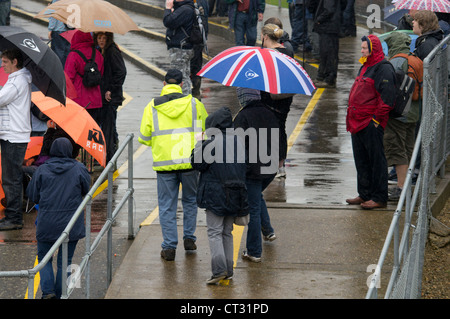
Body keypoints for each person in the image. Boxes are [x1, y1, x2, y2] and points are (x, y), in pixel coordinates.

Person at [138, 69, 208, 261]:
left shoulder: (152, 106)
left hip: (164, 164)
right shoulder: (195, 104)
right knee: (190, 200)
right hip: (190, 162)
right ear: (182, 84)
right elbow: (204, 131)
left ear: (163, 84)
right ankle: (189, 238)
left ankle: (169, 247)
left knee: (167, 206)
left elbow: (144, 137)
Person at [26, 137, 91, 299]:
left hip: (47, 222)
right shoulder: (79, 168)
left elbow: (33, 195)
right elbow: (86, 190)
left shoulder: (41, 170)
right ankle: (61, 293)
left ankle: (48, 292)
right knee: (66, 260)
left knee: (44, 258)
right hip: (71, 223)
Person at [190, 106, 248, 284]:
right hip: (236, 194)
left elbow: (196, 163)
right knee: (226, 233)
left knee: (215, 232)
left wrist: (199, 143)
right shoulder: (239, 141)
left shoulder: (211, 143)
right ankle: (228, 270)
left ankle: (218, 270)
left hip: (216, 194)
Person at [346, 35, 396, 210]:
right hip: (357, 122)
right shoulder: (365, 66)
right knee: (361, 160)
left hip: (369, 123)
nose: (362, 51)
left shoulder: (383, 69)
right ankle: (365, 194)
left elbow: (387, 98)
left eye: (365, 48)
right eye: (361, 48)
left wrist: (375, 120)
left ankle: (379, 197)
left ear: (373, 49)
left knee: (376, 161)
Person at [233, 88, 279, 262]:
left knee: (252, 208)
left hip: (252, 169)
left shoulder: (242, 117)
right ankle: (268, 231)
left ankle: (254, 251)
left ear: (243, 97)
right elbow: (279, 138)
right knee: (256, 197)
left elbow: (236, 145)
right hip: (270, 168)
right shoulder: (270, 113)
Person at [384, 31, 422, 201]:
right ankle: (406, 186)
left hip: (399, 114)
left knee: (397, 149)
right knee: (408, 149)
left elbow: (390, 88)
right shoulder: (416, 59)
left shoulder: (396, 61)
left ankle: (401, 188)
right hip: (414, 112)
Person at [0, 49, 32, 231]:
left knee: (11, 178)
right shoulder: (17, 79)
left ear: (14, 61)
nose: (2, 64)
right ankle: (12, 215)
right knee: (10, 177)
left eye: (5, 61)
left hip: (14, 134)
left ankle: (14, 218)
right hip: (11, 133)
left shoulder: (17, 81)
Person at [259, 23, 295, 178]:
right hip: (285, 97)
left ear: (265, 36)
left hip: (269, 98)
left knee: (268, 131)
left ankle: (269, 163)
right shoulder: (287, 51)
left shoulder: (266, 54)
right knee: (281, 129)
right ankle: (281, 166)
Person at [95, 32, 127, 164]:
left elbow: (121, 72)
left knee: (109, 127)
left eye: (104, 38)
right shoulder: (103, 51)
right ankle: (111, 152)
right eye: (99, 38)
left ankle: (109, 156)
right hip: (108, 96)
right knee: (110, 127)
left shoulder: (112, 51)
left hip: (111, 97)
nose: (101, 41)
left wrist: (111, 89)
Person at [65, 30, 104, 125]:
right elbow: (101, 74)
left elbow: (67, 78)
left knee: (78, 128)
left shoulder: (73, 55)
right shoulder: (98, 54)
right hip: (95, 101)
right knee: (92, 130)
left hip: (78, 100)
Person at [163, 0, 197, 95]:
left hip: (180, 49)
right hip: (184, 47)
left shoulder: (185, 9)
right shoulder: (185, 8)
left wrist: (168, 9)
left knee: (180, 77)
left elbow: (168, 21)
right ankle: (187, 98)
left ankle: (184, 99)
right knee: (185, 75)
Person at [313, 0, 341, 88]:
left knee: (328, 53)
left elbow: (329, 9)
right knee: (327, 53)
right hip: (330, 26)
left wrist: (319, 19)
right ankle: (323, 76)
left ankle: (329, 78)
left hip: (329, 26)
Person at [190, 0, 209, 100]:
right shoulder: (203, 2)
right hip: (199, 40)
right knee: (197, 68)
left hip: (192, 41)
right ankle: (196, 92)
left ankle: (194, 93)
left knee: (193, 68)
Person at [48, 0, 71, 67]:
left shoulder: (56, 1)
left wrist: (50, 29)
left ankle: (59, 73)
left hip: (58, 30)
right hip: (69, 31)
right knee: (67, 54)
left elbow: (53, 16)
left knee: (58, 55)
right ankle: (65, 74)